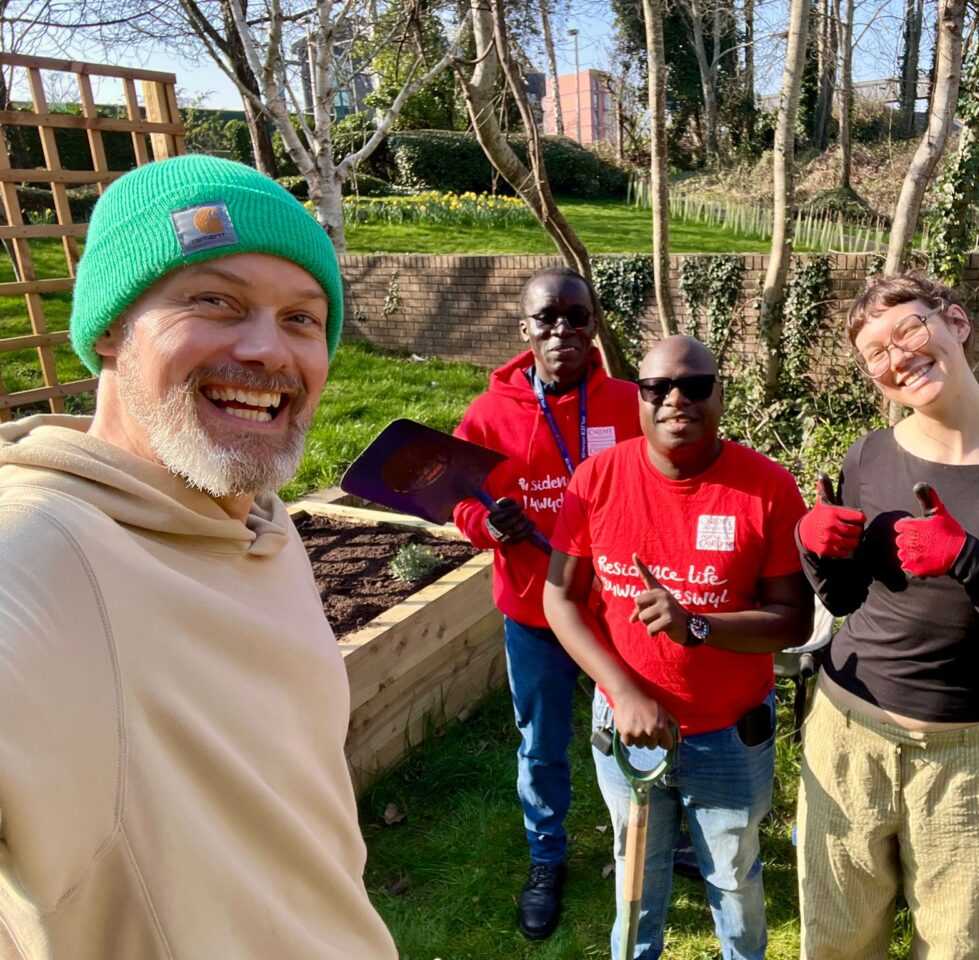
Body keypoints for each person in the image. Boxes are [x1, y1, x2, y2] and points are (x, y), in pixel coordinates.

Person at [0, 155, 397, 959]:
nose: (268, 350)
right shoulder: (38, 559)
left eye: (302, 318)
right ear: (109, 328)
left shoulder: (259, 524)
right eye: (215, 301)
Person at [795, 271, 979, 959]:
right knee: (838, 943)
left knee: (961, 947)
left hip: (964, 758)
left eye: (909, 329)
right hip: (845, 735)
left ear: (955, 323)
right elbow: (845, 599)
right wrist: (810, 546)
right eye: (876, 353)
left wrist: (969, 560)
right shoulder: (871, 454)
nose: (898, 357)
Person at [544, 335, 813, 960]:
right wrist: (624, 693)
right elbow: (560, 599)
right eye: (657, 387)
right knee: (636, 879)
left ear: (719, 394)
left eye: (694, 386)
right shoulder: (597, 479)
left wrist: (699, 625)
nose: (675, 400)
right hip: (627, 728)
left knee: (733, 879)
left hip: (729, 736)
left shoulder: (767, 488)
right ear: (638, 397)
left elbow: (793, 621)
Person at [451, 266, 642, 939]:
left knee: (642, 726)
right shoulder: (488, 415)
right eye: (547, 318)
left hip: (616, 609)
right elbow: (459, 497)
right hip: (534, 613)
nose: (563, 330)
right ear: (525, 329)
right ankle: (546, 856)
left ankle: (657, 835)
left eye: (576, 316)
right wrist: (487, 524)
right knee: (542, 744)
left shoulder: (627, 403)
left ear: (593, 326)